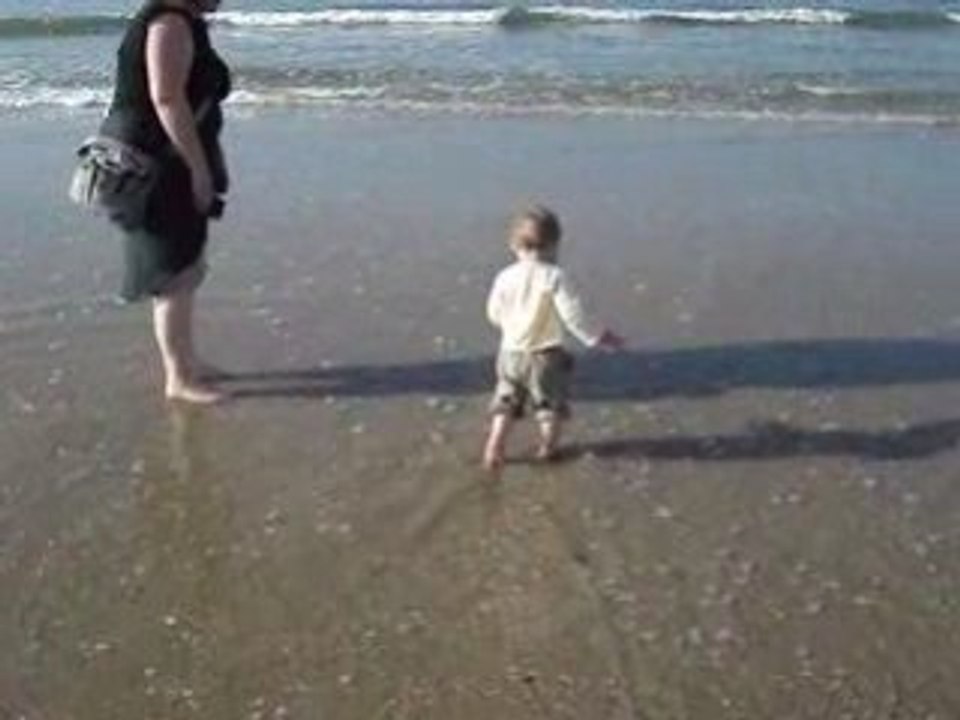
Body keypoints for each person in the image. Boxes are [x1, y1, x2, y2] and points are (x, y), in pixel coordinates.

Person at [100, 0, 231, 403]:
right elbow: (167, 98)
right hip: (156, 165)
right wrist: (197, 168)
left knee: (185, 262)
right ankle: (178, 377)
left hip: (168, 158)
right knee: (173, 272)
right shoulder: (169, 23)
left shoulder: (184, 21)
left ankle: (188, 361)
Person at [483, 205, 625, 472]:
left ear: (514, 245)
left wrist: (509, 326)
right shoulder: (555, 276)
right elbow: (574, 316)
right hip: (545, 356)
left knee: (506, 400)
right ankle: (547, 447)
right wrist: (598, 338)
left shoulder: (504, 276)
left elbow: (493, 312)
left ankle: (495, 445)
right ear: (554, 245)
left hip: (509, 354)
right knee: (549, 405)